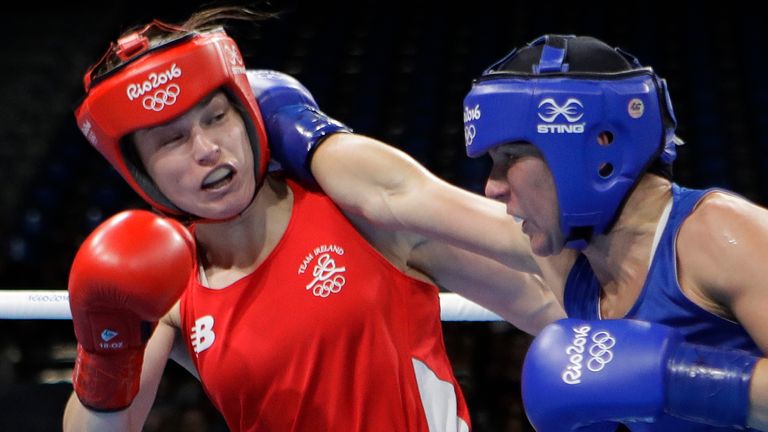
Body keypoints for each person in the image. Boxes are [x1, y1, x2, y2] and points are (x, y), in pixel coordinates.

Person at [62, 7, 565, 432]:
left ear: (248, 115)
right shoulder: (171, 286)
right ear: (141, 172)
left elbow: (542, 301)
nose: (208, 149)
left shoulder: (355, 211)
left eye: (217, 117)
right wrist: (105, 347)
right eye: (172, 140)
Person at [271, 34, 768, 430]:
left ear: (593, 146)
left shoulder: (714, 232)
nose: (493, 187)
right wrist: (295, 130)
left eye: (510, 159)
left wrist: (673, 377)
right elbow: (402, 194)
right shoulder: (570, 261)